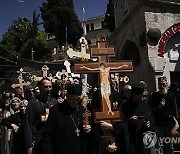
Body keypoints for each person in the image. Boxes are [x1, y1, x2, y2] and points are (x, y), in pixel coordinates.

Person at [41, 84, 91, 154]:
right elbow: (47, 135)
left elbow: (85, 134)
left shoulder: (81, 110)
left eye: (78, 99)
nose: (75, 101)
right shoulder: (56, 110)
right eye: (73, 99)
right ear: (67, 96)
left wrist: (87, 131)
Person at [24, 78, 58, 154]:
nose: (48, 89)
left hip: (51, 141)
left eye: (50, 86)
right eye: (46, 87)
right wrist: (29, 146)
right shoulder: (33, 103)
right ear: (40, 88)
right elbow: (28, 124)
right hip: (38, 140)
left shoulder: (54, 101)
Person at [149, 76, 179, 154]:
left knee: (169, 144)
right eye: (160, 84)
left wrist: (176, 122)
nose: (162, 86)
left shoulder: (171, 95)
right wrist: (159, 107)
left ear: (166, 84)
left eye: (163, 84)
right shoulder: (154, 96)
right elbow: (151, 111)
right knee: (160, 144)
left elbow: (175, 109)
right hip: (159, 124)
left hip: (169, 124)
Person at [120, 83, 154, 154]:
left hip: (143, 136)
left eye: (140, 96)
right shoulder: (125, 106)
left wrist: (149, 123)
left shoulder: (145, 105)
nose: (137, 99)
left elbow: (151, 118)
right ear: (132, 95)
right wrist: (130, 120)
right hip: (130, 137)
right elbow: (121, 123)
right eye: (136, 97)